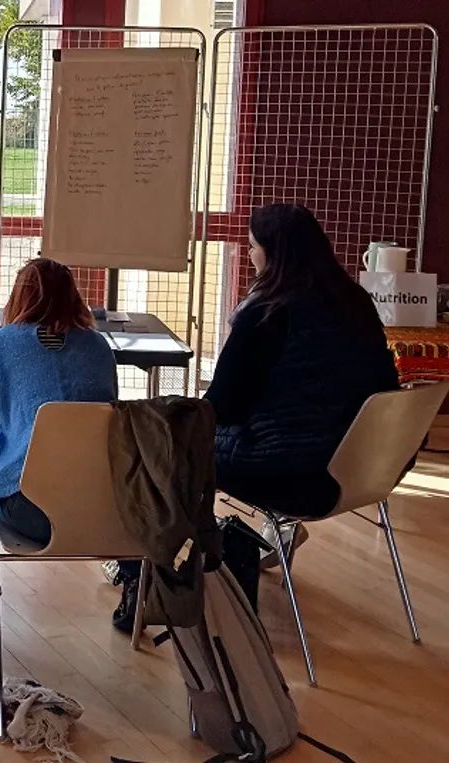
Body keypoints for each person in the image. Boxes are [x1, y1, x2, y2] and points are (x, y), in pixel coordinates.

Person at [110, 204, 399, 633]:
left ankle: (140, 576)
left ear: (275, 254)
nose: (249, 257)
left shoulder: (265, 312)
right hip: (365, 468)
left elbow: (220, 407)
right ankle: (268, 537)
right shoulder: (356, 302)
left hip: (292, 475)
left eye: (253, 248)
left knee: (163, 452)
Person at [0, 258, 118, 639]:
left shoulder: (4, 344)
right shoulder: (100, 348)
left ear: (21, 297)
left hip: (32, 512)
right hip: (100, 514)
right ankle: (134, 583)